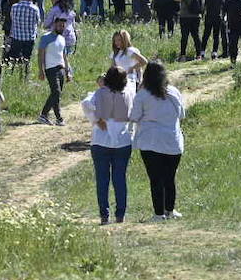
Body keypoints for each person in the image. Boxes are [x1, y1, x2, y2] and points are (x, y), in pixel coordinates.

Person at [131, 61, 186, 222]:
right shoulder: (173, 92)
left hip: (150, 141)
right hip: (172, 140)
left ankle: (158, 213)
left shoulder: (142, 94)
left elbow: (134, 117)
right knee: (170, 178)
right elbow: (181, 114)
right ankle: (170, 210)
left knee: (156, 179)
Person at [84, 66, 134, 224]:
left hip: (100, 140)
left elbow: (85, 104)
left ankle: (104, 215)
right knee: (120, 179)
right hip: (122, 141)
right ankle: (120, 214)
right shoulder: (128, 93)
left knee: (102, 179)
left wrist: (95, 120)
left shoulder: (100, 93)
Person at [36, 15, 72, 125]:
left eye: (63, 26)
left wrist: (68, 71)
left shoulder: (62, 39)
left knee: (56, 94)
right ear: (54, 25)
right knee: (56, 92)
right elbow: (40, 55)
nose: (62, 27)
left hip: (61, 68)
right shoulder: (45, 38)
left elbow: (64, 56)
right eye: (60, 25)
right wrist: (41, 70)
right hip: (50, 69)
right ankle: (44, 114)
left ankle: (58, 118)